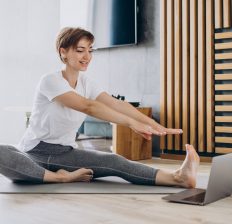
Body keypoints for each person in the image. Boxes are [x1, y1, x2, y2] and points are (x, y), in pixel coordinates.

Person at [0, 27, 199, 188]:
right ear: (63, 52)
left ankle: (179, 177)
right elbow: (89, 106)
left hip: (66, 154)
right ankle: (60, 178)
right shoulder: (50, 81)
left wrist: (153, 124)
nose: (87, 56)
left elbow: (116, 104)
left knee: (114, 161)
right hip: (34, 151)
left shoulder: (87, 83)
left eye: (90, 50)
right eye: (80, 50)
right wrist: (132, 123)